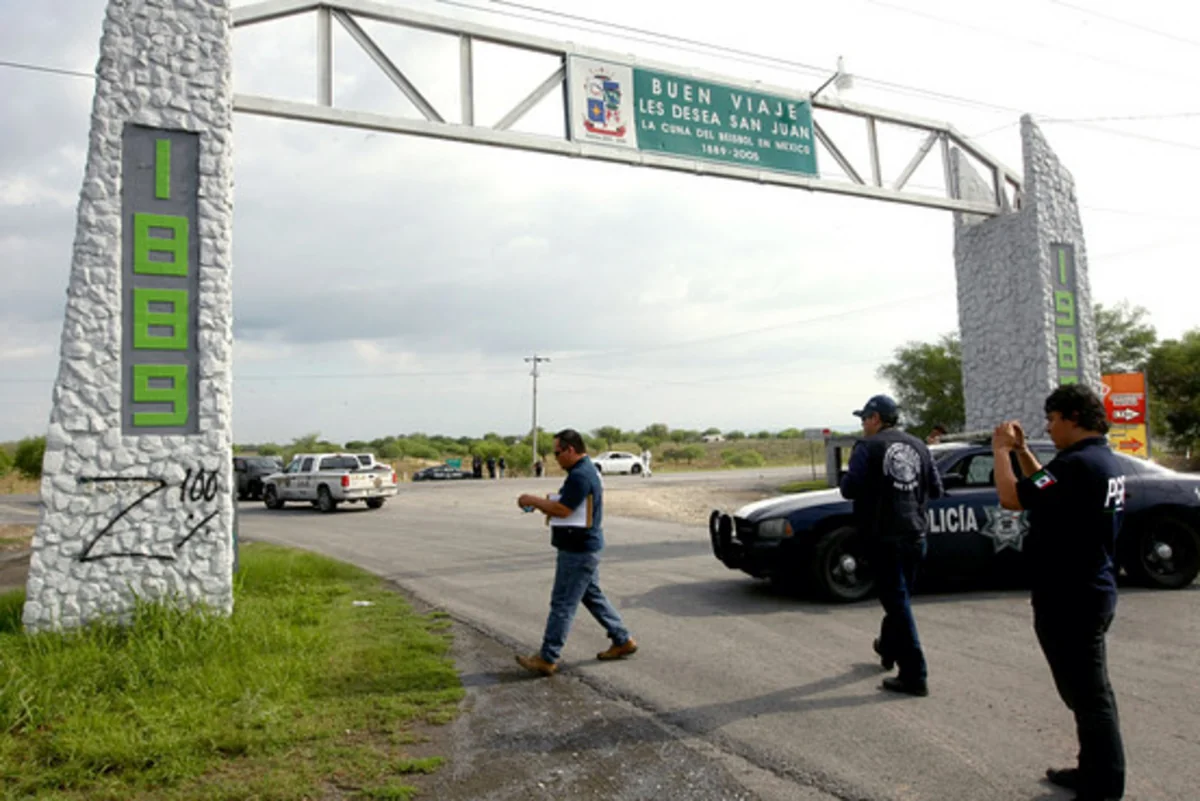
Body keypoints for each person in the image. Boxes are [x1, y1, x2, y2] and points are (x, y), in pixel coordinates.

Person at [992, 385, 1126, 801]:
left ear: (1071, 418)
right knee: (1087, 693)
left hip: (1071, 596)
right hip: (1088, 589)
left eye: (1052, 420)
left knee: (1089, 697)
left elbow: (1013, 497)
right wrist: (1021, 451)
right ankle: (1093, 770)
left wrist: (999, 451)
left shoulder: (1077, 467)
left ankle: (1103, 784)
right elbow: (1044, 484)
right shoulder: (1094, 460)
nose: (1048, 428)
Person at [839, 394, 943, 697]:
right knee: (899, 601)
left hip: (883, 538)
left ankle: (915, 675)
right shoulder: (920, 446)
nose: (862, 425)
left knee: (897, 604)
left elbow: (849, 489)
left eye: (864, 419)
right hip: (915, 535)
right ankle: (887, 647)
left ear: (875, 419)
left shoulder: (866, 447)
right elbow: (935, 489)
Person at [514, 428, 637, 676]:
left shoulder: (581, 475)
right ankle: (622, 640)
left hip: (578, 550)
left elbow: (563, 509)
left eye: (557, 453)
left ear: (570, 450)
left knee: (562, 603)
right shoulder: (585, 471)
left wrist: (533, 500)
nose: (555, 458)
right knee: (591, 596)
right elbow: (568, 507)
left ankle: (547, 658)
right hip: (585, 547)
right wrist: (546, 504)